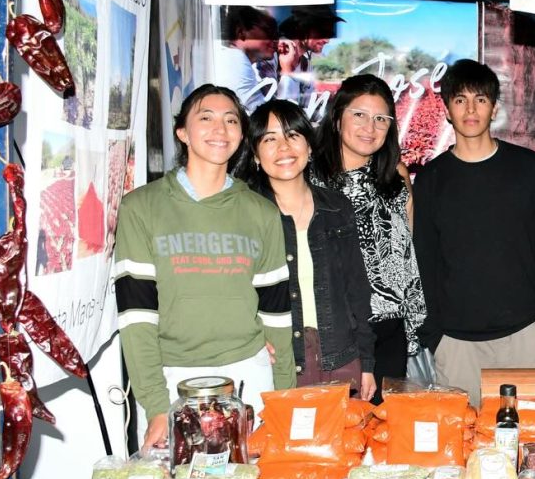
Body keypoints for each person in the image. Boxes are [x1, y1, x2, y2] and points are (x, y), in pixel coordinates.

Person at [113, 84, 294, 448]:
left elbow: (277, 317)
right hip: (172, 380)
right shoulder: (141, 207)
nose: (220, 129)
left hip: (249, 375)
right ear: (182, 132)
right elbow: (136, 317)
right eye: (206, 118)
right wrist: (156, 405)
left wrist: (284, 400)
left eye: (231, 120)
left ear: (241, 135)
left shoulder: (261, 212)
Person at [412, 59, 535, 405]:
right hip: (458, 345)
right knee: (467, 439)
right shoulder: (432, 179)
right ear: (447, 109)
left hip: (530, 335)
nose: (470, 109)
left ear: (494, 108)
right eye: (460, 100)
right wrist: (436, 336)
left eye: (480, 99)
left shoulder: (527, 167)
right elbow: (425, 263)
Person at [239, 100, 377, 399]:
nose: (284, 147)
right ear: (255, 155)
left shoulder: (336, 207)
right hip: (279, 361)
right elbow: (232, 291)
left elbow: (357, 289)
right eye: (270, 139)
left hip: (340, 356)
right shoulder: (245, 214)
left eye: (293, 135)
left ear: (310, 146)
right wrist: (251, 339)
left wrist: (366, 362)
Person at [316, 74, 426, 404]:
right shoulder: (310, 180)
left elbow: (409, 251)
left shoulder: (396, 177)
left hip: (390, 328)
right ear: (337, 117)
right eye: (359, 115)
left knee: (385, 425)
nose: (370, 127)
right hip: (333, 330)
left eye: (381, 119)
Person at [214, 6, 277, 110]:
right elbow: (259, 113)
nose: (275, 40)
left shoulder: (234, 58)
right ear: (241, 32)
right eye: (268, 31)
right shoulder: (235, 59)